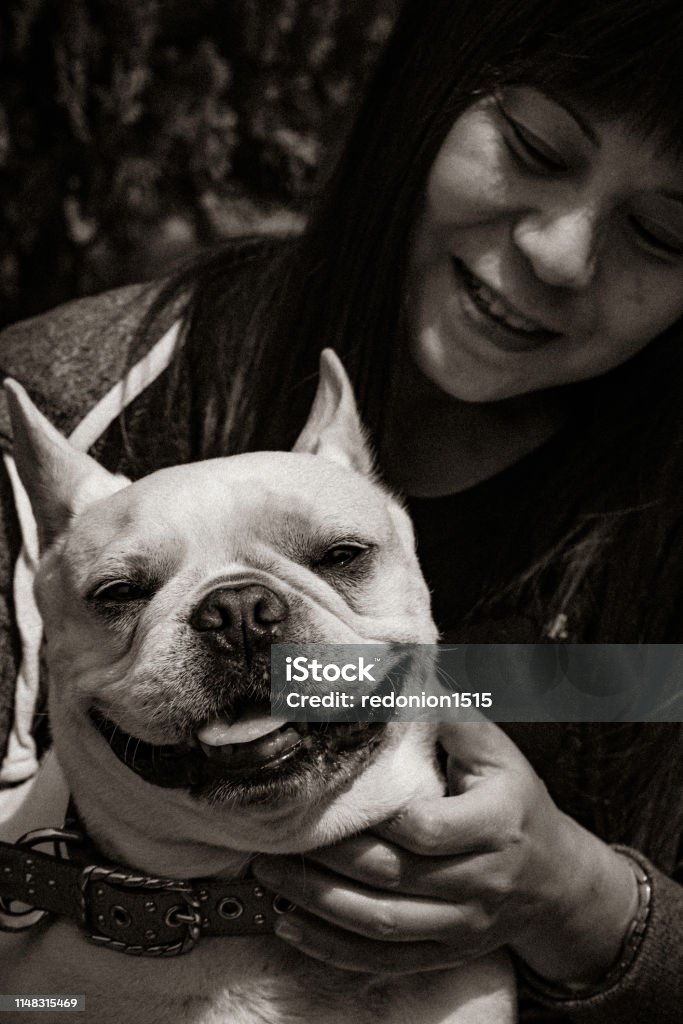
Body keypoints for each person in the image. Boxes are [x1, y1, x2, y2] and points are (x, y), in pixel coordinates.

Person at [0, 0, 681, 1020]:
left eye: (663, 230)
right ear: (420, 97)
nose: (557, 252)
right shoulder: (67, 406)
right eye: (535, 148)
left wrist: (587, 905)